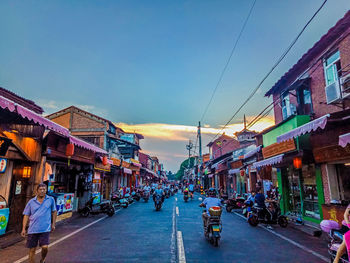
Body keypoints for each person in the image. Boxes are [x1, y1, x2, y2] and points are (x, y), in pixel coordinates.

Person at [21, 183, 57, 263]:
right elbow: (26, 215)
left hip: (45, 229)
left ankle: (43, 259)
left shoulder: (50, 200)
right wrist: (23, 228)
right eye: (40, 189)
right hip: (33, 229)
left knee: (45, 247)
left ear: (46, 190)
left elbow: (54, 211)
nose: (42, 191)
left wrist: (53, 224)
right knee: (32, 249)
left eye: (44, 189)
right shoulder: (31, 202)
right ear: (37, 191)